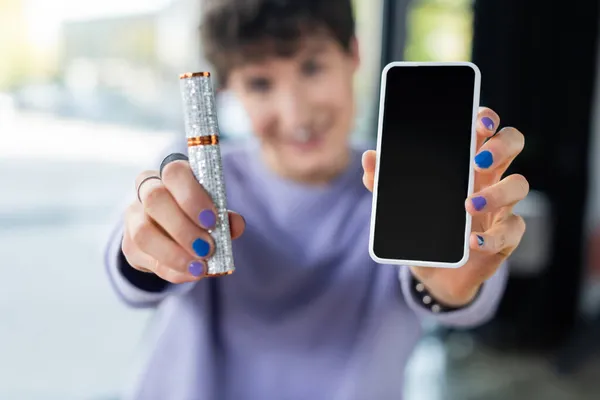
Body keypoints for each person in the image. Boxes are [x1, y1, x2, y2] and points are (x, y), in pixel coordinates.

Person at [104, 0, 529, 398]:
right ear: (230, 89)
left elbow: (464, 296)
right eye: (259, 83)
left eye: (311, 68)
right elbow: (130, 270)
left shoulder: (395, 183)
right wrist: (148, 250)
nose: (296, 114)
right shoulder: (200, 179)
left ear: (353, 55)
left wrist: (455, 281)